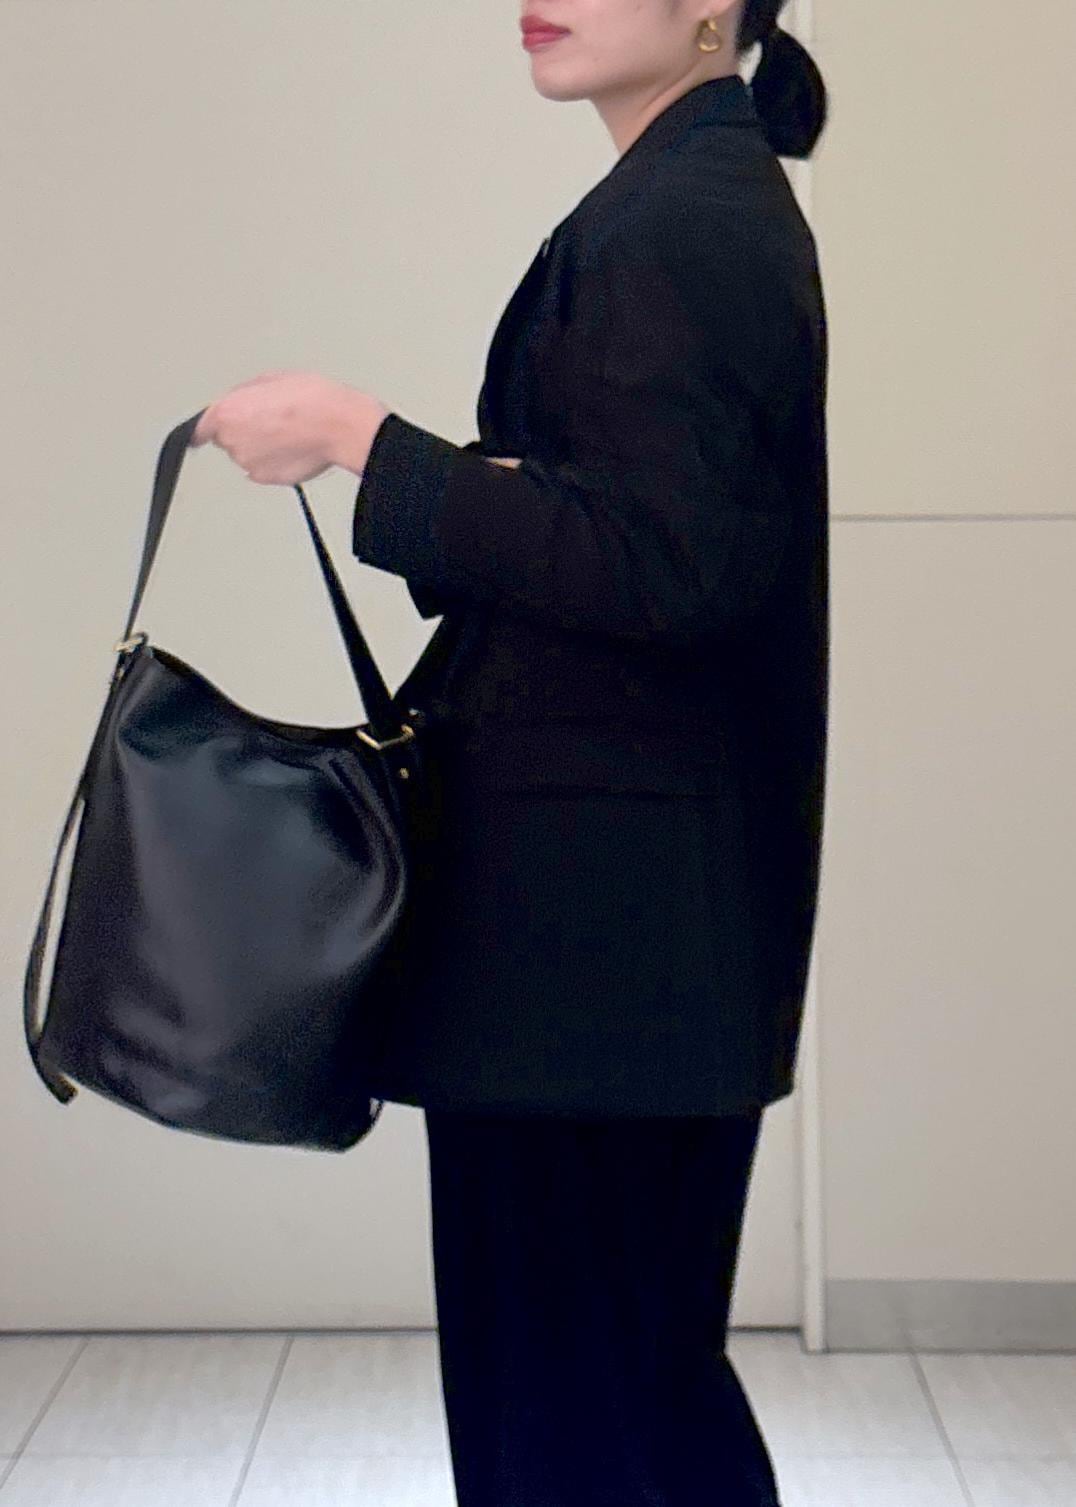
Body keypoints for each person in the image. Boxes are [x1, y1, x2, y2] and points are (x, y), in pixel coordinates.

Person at [196, 3, 828, 1501]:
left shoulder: (684, 218)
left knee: (577, 1414)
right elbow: (644, 520)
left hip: (598, 943)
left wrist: (364, 437)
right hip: (614, 938)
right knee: (619, 1393)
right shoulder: (684, 193)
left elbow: (667, 566)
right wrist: (477, 480)